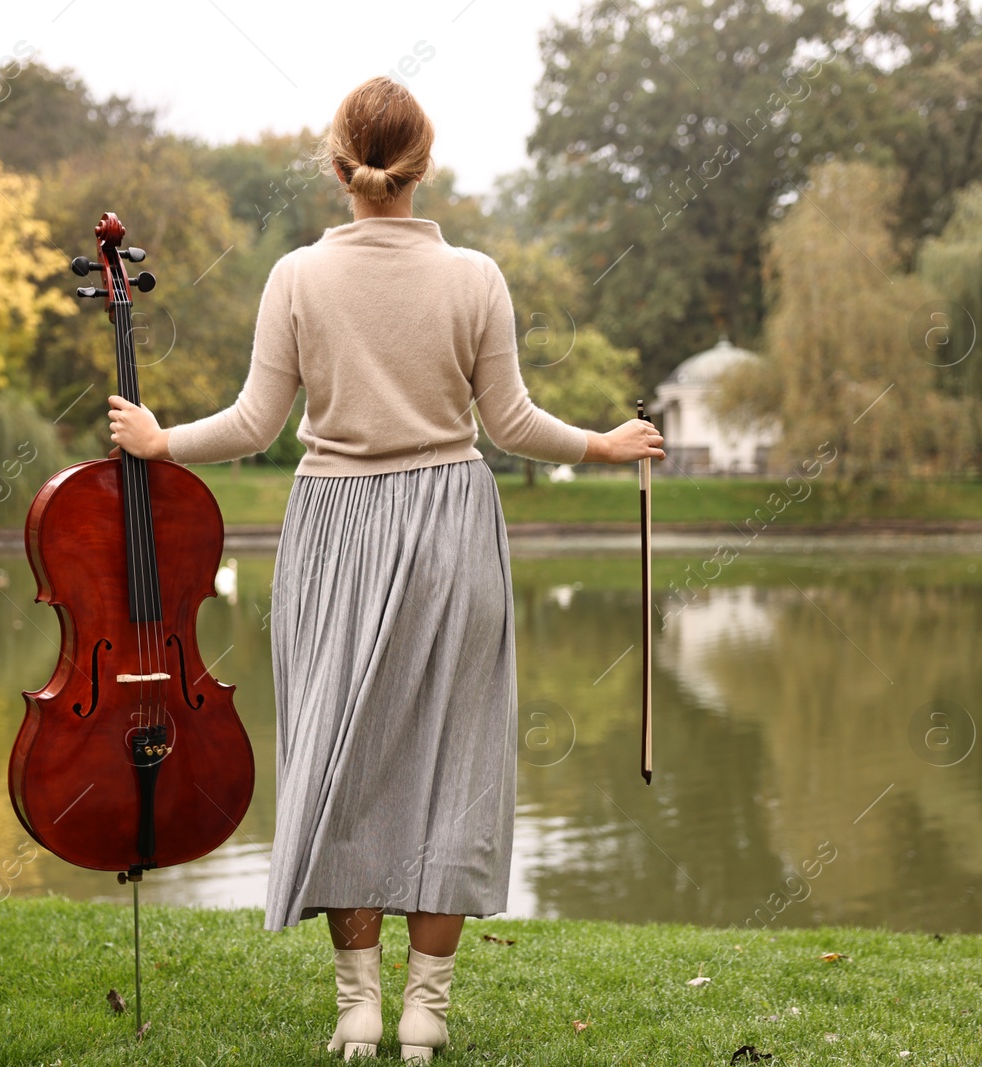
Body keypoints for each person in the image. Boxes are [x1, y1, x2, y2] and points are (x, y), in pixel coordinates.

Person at [107, 76, 664, 1062]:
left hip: (332, 528)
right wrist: (605, 444)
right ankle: (425, 1010)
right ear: (423, 165)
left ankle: (356, 1003)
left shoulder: (294, 277)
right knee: (453, 760)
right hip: (450, 521)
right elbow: (514, 426)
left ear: (338, 166)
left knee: (340, 758)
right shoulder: (475, 277)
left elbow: (251, 426)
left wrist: (158, 438)